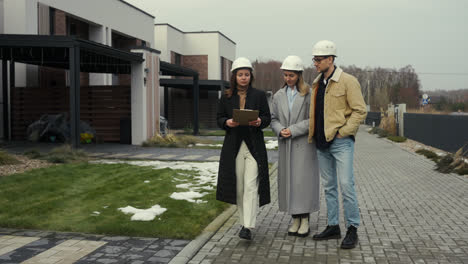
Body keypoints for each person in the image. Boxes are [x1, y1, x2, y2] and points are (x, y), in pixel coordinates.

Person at [308, 40, 367, 249]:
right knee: (329, 187)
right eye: (314, 59)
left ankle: (352, 228)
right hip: (321, 143)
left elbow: (360, 110)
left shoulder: (348, 81)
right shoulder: (317, 83)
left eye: (318, 59)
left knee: (346, 186)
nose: (315, 62)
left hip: (341, 143)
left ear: (330, 59)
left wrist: (344, 132)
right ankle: (333, 226)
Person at [216, 57, 271, 240]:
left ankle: (248, 226)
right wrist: (227, 122)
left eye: (247, 74)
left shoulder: (259, 95)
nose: (244, 77)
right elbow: (219, 119)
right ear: (234, 76)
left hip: (254, 145)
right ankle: (242, 222)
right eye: (240, 74)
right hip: (234, 146)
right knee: (239, 187)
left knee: (251, 186)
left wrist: (260, 121)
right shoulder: (226, 96)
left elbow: (267, 117)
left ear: (250, 76)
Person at [270, 55, 320, 237]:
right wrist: (280, 130)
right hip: (286, 144)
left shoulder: (309, 93)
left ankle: (305, 218)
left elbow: (312, 120)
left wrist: (292, 130)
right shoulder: (278, 95)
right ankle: (295, 218)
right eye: (285, 75)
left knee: (303, 182)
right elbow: (273, 119)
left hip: (303, 144)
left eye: (291, 75)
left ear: (299, 75)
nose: (288, 79)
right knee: (290, 181)